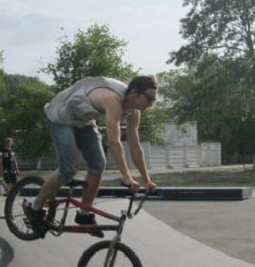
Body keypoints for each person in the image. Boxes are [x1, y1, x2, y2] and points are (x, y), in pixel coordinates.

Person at [27, 75, 158, 239]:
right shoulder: (112, 99)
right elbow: (113, 141)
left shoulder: (134, 113)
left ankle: (84, 213)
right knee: (69, 169)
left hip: (84, 122)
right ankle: (35, 208)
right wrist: (127, 177)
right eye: (149, 98)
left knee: (98, 165)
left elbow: (135, 146)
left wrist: (146, 179)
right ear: (134, 93)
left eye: (154, 100)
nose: (151, 103)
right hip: (61, 117)